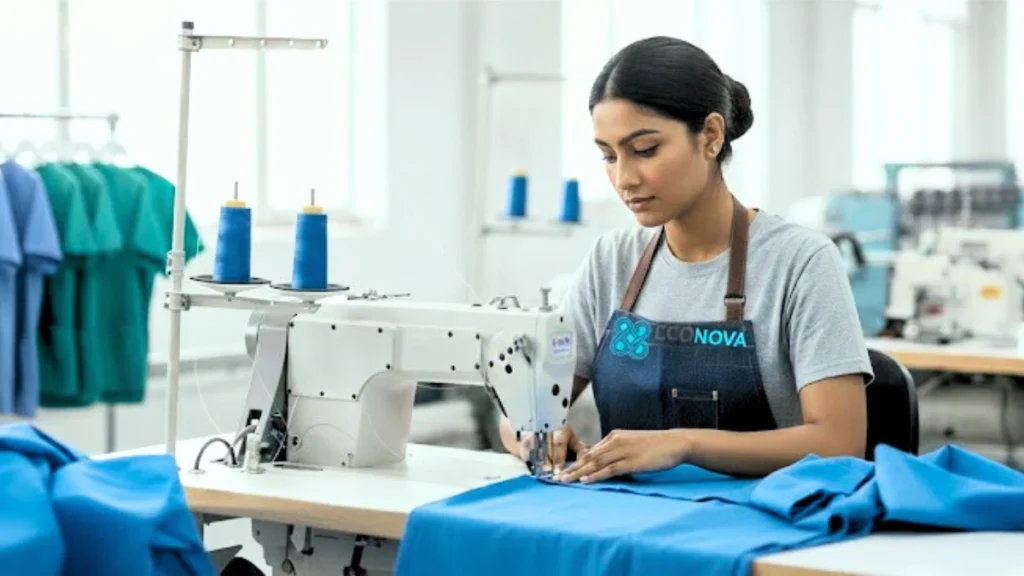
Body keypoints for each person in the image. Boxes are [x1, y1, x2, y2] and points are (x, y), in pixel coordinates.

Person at [498, 36, 873, 482]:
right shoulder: (610, 261)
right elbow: (521, 410)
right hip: (626, 517)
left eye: (645, 150)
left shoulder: (800, 262)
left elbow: (839, 442)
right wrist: (536, 432)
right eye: (608, 155)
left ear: (711, 136)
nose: (624, 178)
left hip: (759, 525)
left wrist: (683, 444)